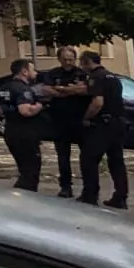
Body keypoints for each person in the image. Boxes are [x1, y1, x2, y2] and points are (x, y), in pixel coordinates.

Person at [78, 50, 130, 209]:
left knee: (88, 159)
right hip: (118, 123)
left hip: (103, 125)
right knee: (116, 161)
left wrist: (86, 117)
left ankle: (90, 194)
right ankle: (121, 196)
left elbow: (97, 102)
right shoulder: (113, 77)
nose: (81, 67)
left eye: (82, 63)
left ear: (87, 62)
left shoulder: (96, 77)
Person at [43, 46, 92, 197]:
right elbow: (46, 90)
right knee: (63, 156)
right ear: (59, 59)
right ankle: (65, 187)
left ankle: (88, 187)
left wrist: (62, 90)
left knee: (87, 156)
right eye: (65, 59)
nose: (68, 62)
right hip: (60, 120)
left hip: (80, 120)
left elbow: (85, 90)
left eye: (71, 59)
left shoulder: (83, 73)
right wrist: (71, 91)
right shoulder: (53, 73)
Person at [0, 57, 48, 191]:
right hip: (25, 132)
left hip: (10, 130)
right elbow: (26, 111)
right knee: (31, 171)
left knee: (23, 168)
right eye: (33, 70)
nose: (36, 73)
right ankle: (26, 198)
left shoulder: (4, 87)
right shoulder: (23, 89)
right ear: (24, 72)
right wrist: (40, 105)